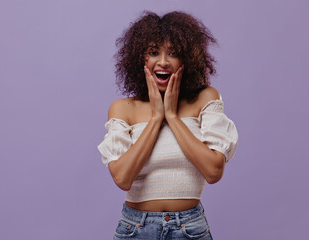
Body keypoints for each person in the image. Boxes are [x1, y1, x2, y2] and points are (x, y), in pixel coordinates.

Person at [98, 11, 238, 240]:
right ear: (140, 58)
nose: (162, 61)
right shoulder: (123, 109)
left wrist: (172, 116)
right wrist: (156, 119)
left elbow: (214, 171)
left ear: (187, 59)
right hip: (135, 229)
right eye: (153, 52)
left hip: (190, 229)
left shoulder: (205, 100)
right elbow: (122, 179)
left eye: (173, 53)